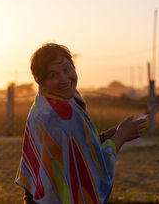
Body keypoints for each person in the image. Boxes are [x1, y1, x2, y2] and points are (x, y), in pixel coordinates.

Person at [15, 43, 147, 204]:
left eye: (67, 69)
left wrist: (107, 136)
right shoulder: (60, 113)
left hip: (38, 194)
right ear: (40, 81)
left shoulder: (44, 103)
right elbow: (92, 166)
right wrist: (121, 136)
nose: (64, 79)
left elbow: (74, 148)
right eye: (53, 75)